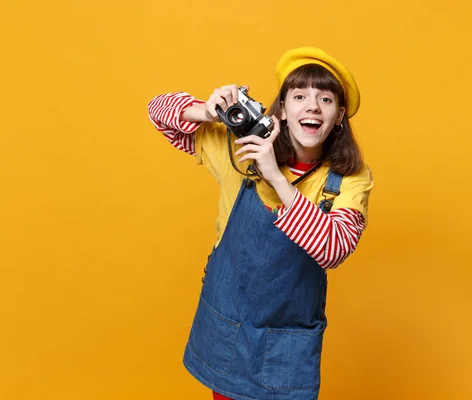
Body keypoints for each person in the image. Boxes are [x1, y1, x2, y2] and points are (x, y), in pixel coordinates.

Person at [147, 47, 373, 400]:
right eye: (299, 96)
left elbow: (333, 249)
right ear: (281, 107)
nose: (312, 106)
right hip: (228, 326)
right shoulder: (240, 150)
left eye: (325, 99)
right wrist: (205, 110)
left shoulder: (348, 180)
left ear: (338, 115)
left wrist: (276, 177)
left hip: (286, 346)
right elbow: (158, 112)